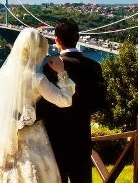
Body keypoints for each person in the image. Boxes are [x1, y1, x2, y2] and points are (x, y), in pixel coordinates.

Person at [0, 27, 75, 183]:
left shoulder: (3, 75)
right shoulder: (37, 79)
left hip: (6, 137)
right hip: (33, 137)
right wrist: (61, 72)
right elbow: (65, 100)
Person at [37, 18, 106, 183]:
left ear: (56, 40)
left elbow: (43, 106)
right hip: (81, 137)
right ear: (78, 38)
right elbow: (99, 103)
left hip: (55, 138)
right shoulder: (94, 66)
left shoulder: (49, 66)